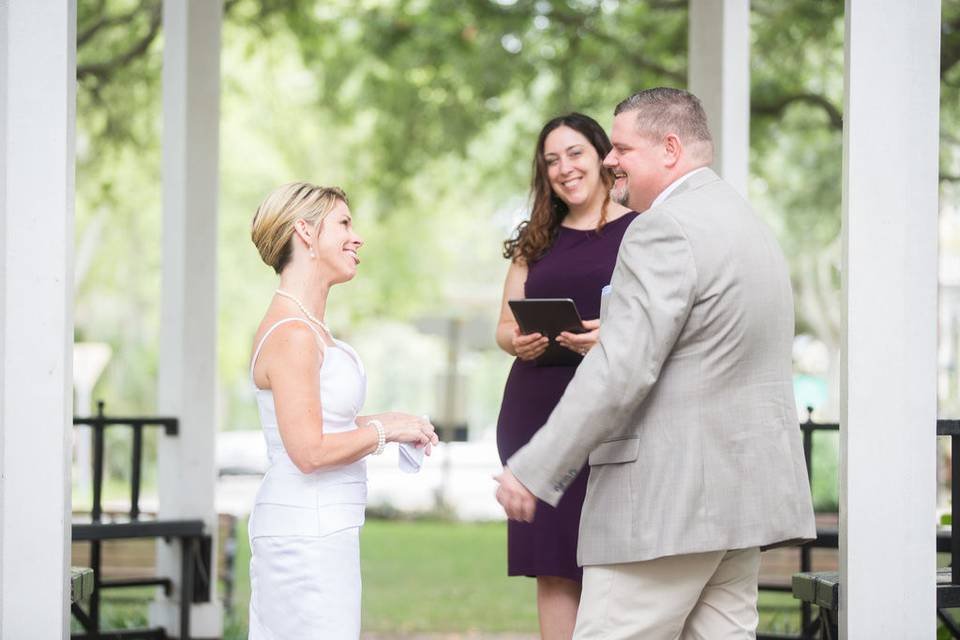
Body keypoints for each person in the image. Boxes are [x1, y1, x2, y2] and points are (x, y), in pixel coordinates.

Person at [495, 88, 816, 639]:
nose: (611, 160)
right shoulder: (747, 223)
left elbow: (622, 368)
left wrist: (534, 466)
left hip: (667, 505)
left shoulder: (660, 229)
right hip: (740, 504)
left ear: (669, 148)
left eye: (622, 148)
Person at [246, 182, 439, 639]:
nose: (358, 237)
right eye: (344, 224)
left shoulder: (309, 326)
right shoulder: (292, 334)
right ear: (306, 234)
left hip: (324, 529)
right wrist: (383, 433)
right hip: (303, 535)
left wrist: (394, 422)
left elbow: (322, 423)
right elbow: (309, 451)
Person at [495, 113, 636, 639]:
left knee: (608, 562)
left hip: (607, 420)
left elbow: (656, 323)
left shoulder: (640, 229)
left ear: (603, 156)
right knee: (553, 565)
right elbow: (503, 327)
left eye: (574, 153)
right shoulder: (534, 239)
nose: (564, 168)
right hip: (534, 410)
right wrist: (519, 340)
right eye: (551, 160)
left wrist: (611, 336)